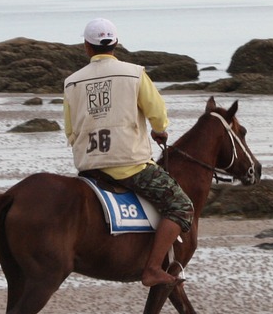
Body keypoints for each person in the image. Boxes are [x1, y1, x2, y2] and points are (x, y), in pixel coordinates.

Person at [63, 18, 194, 288]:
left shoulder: (71, 83)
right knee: (182, 206)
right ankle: (153, 268)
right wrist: (160, 130)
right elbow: (156, 111)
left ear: (87, 46)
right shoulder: (134, 73)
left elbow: (70, 131)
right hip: (130, 166)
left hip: (89, 166)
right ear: (116, 44)